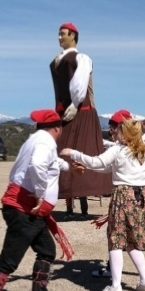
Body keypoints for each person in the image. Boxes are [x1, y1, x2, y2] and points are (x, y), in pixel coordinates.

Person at [0, 110, 76, 291]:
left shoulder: (36, 140)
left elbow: (52, 162)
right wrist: (40, 194)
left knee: (46, 251)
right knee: (9, 260)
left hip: (29, 211)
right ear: (57, 128)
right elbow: (38, 165)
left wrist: (70, 167)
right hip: (24, 209)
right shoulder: (46, 142)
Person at [63, 110, 145, 291]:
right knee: (133, 241)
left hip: (123, 196)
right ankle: (144, 282)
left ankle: (115, 286)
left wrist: (73, 153)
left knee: (116, 240)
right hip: (142, 198)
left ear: (124, 132)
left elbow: (97, 162)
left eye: (118, 130)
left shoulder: (119, 150)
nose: (114, 133)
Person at [50, 22, 111, 215]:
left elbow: (80, 84)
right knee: (62, 154)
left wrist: (75, 104)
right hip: (63, 113)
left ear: (73, 36)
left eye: (63, 34)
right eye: (59, 34)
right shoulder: (57, 60)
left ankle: (83, 205)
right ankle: (68, 204)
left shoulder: (82, 58)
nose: (60, 37)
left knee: (82, 152)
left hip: (81, 112)